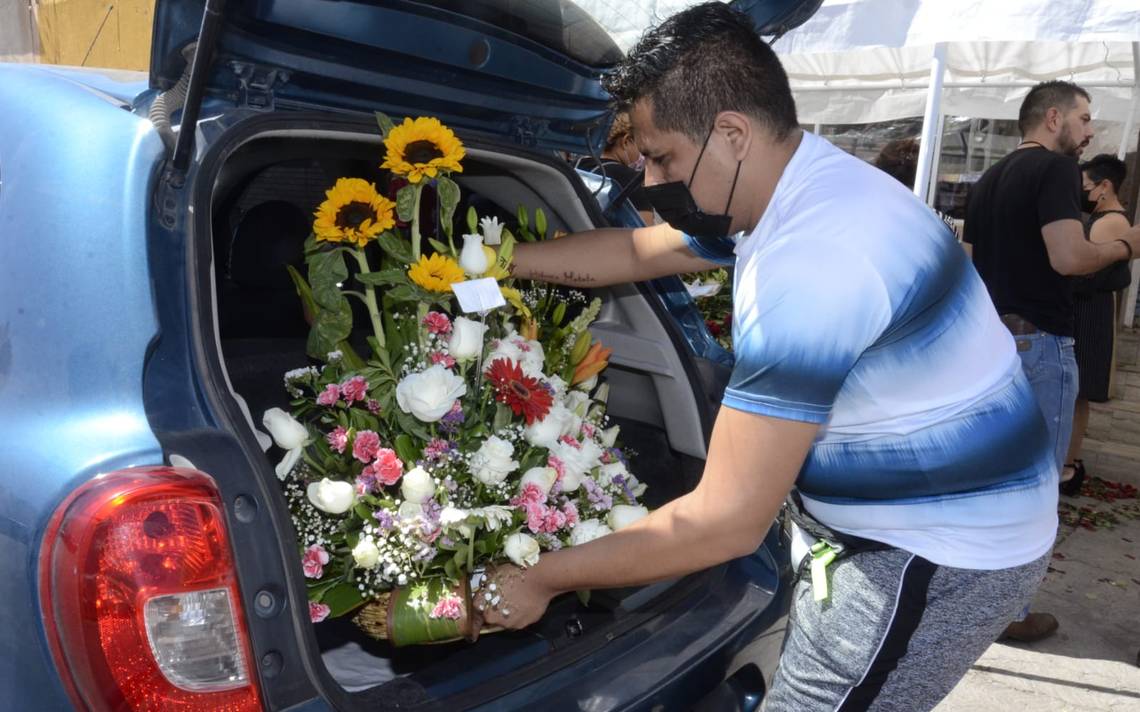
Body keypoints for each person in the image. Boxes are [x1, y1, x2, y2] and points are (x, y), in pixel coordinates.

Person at [476, 4, 1140, 709]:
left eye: (663, 157)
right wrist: (491, 261)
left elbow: (727, 521)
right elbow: (636, 249)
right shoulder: (795, 186)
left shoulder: (813, 260)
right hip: (919, 523)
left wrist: (541, 577)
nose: (652, 179)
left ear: (731, 133)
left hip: (930, 555)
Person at [963, 81, 1140, 643]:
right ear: (1054, 117)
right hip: (1038, 344)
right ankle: (1010, 611)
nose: (1090, 132)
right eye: (1086, 119)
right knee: (1036, 489)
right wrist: (1127, 244)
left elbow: (968, 265)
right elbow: (1070, 258)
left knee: (989, 481)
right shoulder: (1057, 171)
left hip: (991, 344)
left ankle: (969, 596)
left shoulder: (990, 177)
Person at [1064, 154, 1134, 496]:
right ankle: (1069, 462)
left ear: (1104, 187)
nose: (1082, 192)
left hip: (1089, 313)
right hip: (1087, 309)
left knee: (1078, 390)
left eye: (1086, 186)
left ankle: (1069, 464)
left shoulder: (1109, 222)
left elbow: (1085, 271)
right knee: (1076, 390)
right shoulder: (1104, 218)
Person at [574, 111, 656, 224]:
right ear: (626, 142)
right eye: (640, 145)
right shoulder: (632, 180)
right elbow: (646, 233)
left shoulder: (577, 165)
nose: (642, 154)